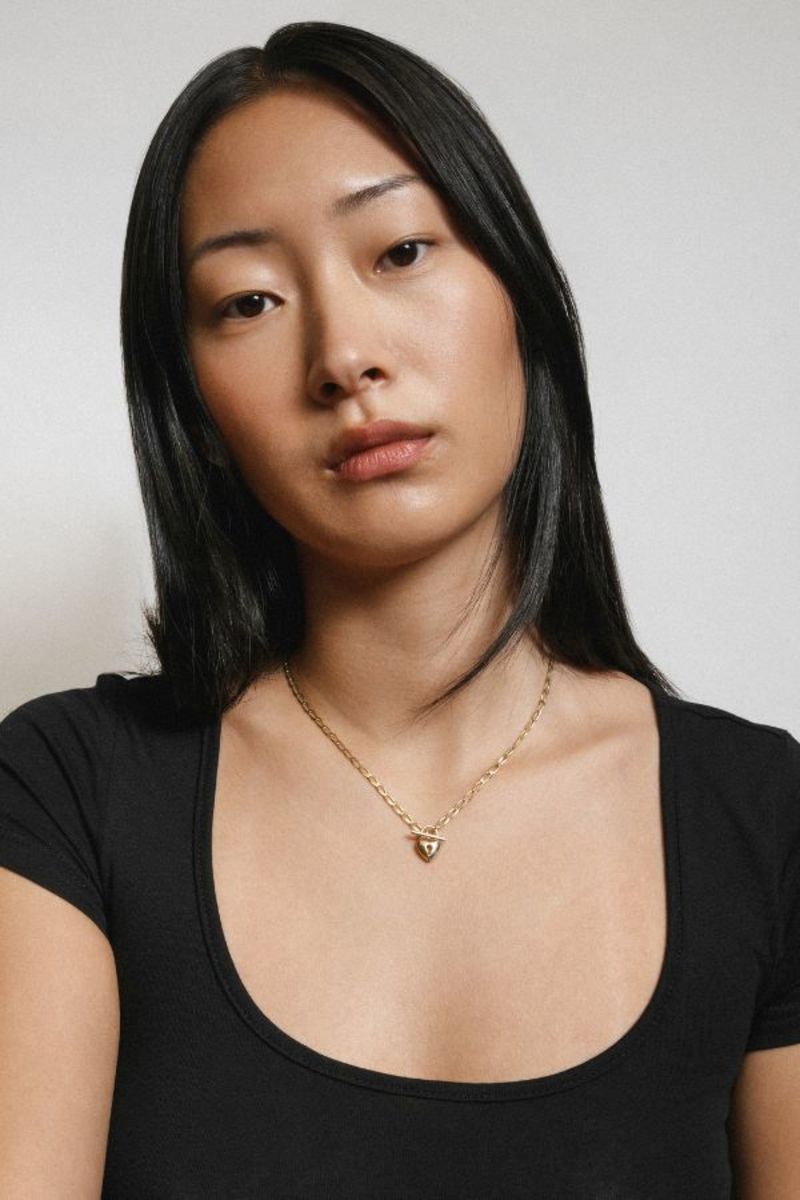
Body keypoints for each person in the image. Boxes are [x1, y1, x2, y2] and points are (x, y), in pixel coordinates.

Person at [0, 19, 797, 1198]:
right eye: (249, 301)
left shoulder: (763, 820)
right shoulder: (67, 795)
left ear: (519, 295)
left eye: (402, 250)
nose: (344, 355)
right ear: (196, 413)